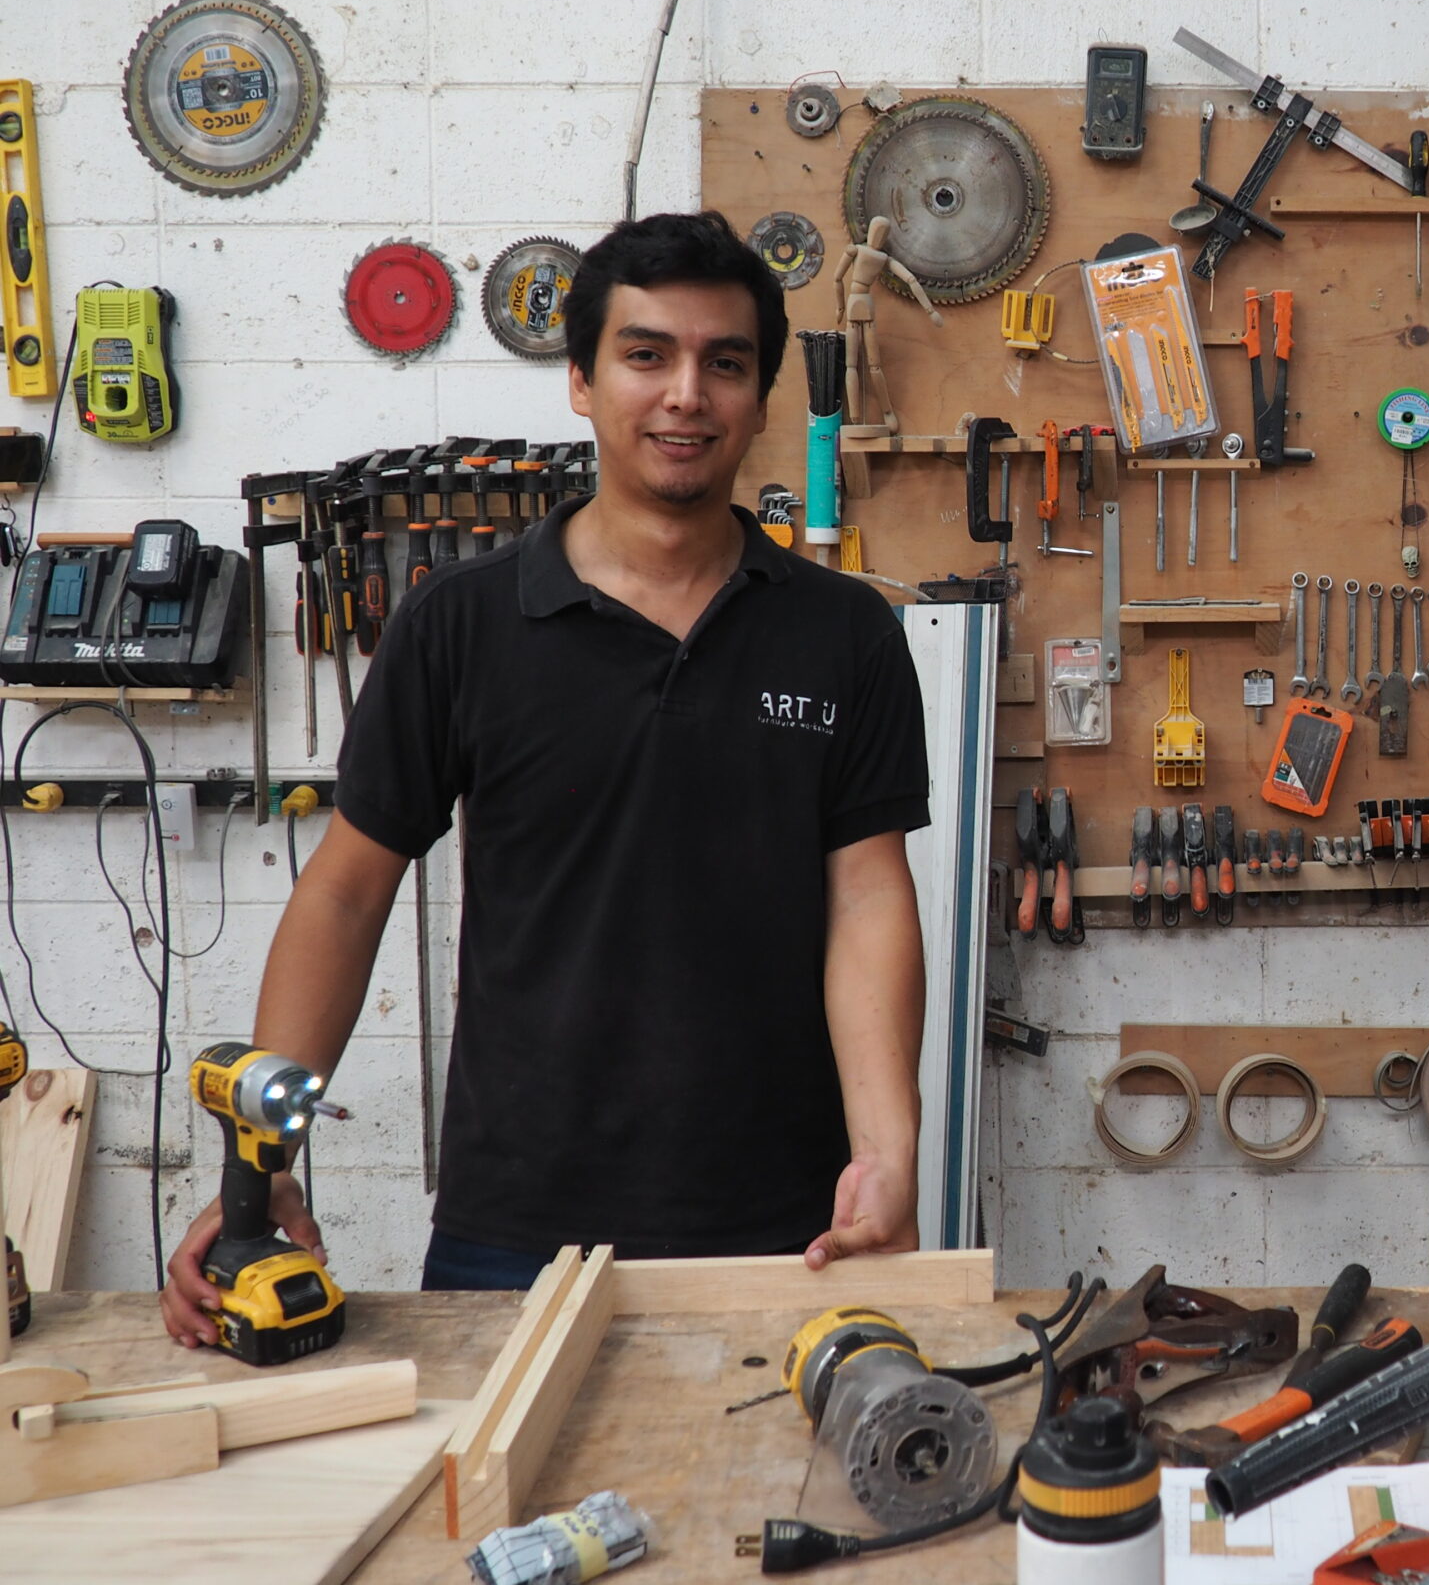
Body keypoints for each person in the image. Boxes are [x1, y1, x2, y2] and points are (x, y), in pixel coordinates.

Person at [161, 210, 931, 1339]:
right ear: (580, 380)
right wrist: (259, 1160)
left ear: (762, 398)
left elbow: (867, 898)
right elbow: (346, 890)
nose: (685, 394)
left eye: (725, 364)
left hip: (789, 1220)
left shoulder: (844, 634)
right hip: (514, 1224)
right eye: (646, 354)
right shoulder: (456, 628)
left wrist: (886, 1152)